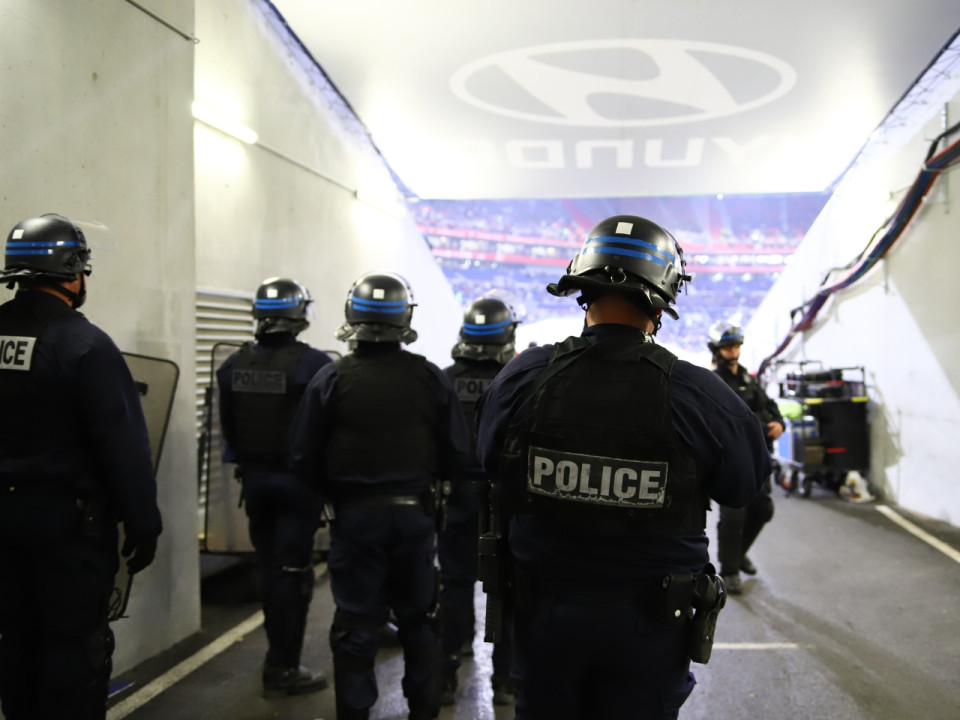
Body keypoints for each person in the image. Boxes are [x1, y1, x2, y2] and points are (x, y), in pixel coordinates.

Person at [475, 215, 771, 720]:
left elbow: (487, 462)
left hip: (543, 612)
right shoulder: (700, 393)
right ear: (662, 300)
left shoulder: (524, 375)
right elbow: (744, 486)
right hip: (650, 624)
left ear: (582, 292)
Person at [0, 213, 162, 720]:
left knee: (14, 637)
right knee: (74, 646)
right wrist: (143, 522)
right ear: (73, 272)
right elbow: (123, 444)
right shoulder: (85, 344)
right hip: (68, 530)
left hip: (2, 525)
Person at [289, 271, 469, 720]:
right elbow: (459, 455)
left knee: (356, 624)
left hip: (354, 522)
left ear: (353, 316)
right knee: (420, 620)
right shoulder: (430, 378)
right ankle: (424, 710)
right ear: (404, 318)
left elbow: (301, 456)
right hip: (415, 519)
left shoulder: (331, 379)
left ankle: (355, 712)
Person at [216, 277, 333, 697]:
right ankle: (282, 667)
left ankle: (277, 657)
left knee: (270, 570)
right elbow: (327, 430)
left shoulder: (233, 365)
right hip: (298, 485)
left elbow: (228, 427)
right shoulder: (316, 364)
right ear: (298, 315)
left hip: (255, 482)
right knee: (292, 574)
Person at [439, 296, 517, 706]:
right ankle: (505, 680)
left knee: (454, 582)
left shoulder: (444, 379)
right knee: (507, 585)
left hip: (455, 496)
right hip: (503, 498)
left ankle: (448, 669)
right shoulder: (519, 378)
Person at [707, 320, 785, 594]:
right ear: (717, 349)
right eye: (727, 346)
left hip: (760, 455)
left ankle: (739, 555)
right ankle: (729, 571)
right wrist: (765, 429)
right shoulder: (715, 381)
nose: (733, 350)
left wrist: (779, 422)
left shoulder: (747, 376)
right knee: (733, 516)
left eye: (736, 345)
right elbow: (733, 420)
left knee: (763, 510)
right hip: (734, 460)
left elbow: (767, 404)